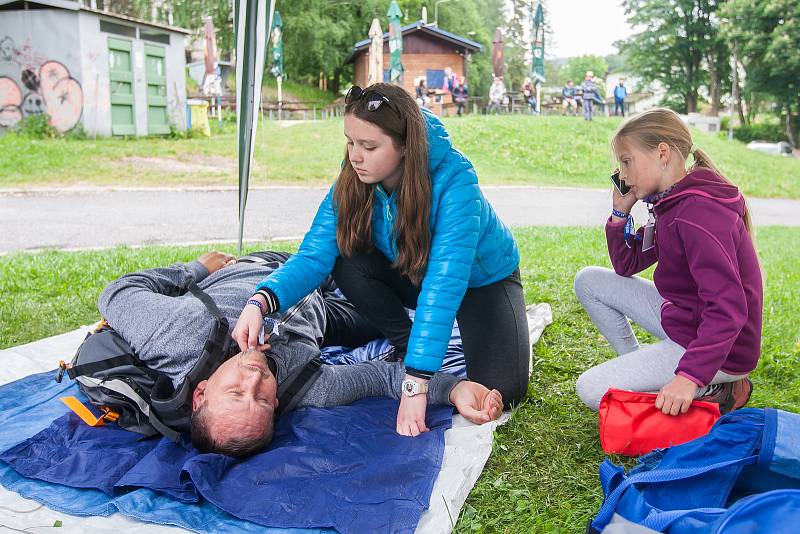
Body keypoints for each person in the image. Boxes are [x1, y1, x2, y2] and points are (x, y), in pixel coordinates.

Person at [234, 83, 529, 438]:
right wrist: (260, 300)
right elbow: (313, 256)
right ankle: (407, 347)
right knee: (347, 256)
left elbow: (444, 285)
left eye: (369, 146)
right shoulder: (354, 175)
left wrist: (416, 386)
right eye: (350, 142)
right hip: (413, 270)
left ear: (405, 146)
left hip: (481, 281)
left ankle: (419, 360)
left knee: (505, 390)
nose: (354, 156)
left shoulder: (456, 180)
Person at [98, 250, 505, 458]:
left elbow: (116, 294)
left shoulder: (175, 335)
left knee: (355, 260)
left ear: (201, 391)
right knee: (409, 315)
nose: (255, 380)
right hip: (324, 315)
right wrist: (454, 389)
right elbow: (384, 378)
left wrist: (195, 269)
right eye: (261, 399)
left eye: (236, 392)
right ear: (276, 405)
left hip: (277, 268)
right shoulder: (307, 389)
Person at [573, 108, 762, 416]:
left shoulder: (698, 213)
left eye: (626, 160)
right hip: (687, 320)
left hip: (724, 350)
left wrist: (689, 378)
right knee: (588, 280)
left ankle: (711, 387)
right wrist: (620, 214)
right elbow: (627, 265)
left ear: (662, 153)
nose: (621, 174)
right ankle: (646, 373)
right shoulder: (668, 203)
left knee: (591, 390)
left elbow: (728, 310)